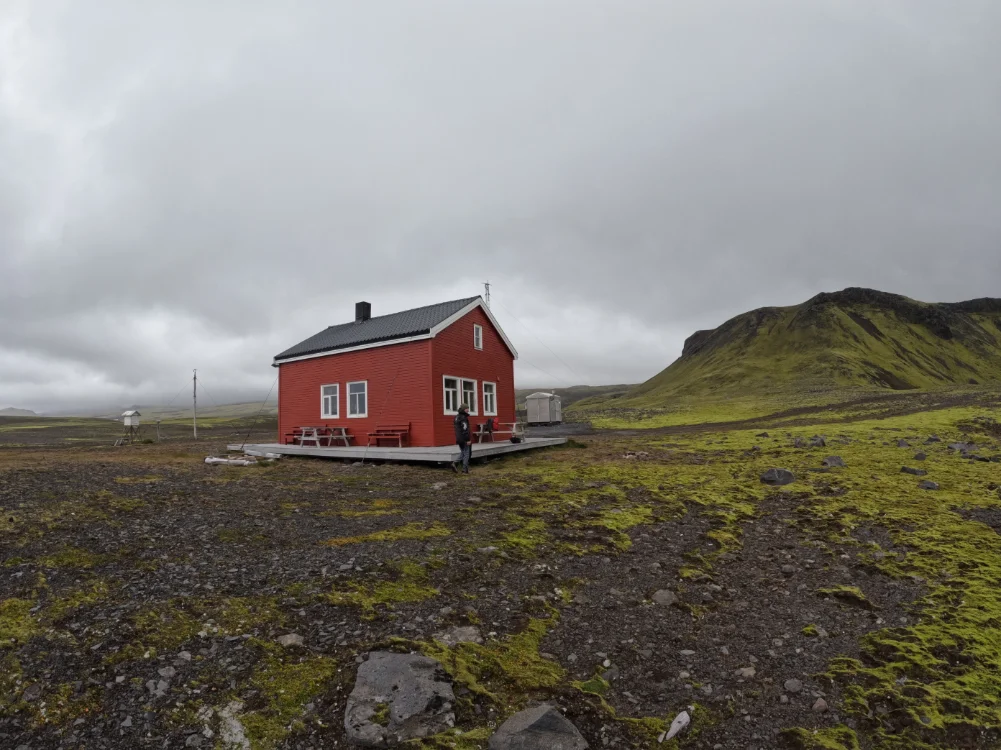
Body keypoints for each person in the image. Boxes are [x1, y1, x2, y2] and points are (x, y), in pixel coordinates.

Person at [452, 403, 471, 473]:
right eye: (467, 409)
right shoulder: (463, 418)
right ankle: (464, 470)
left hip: (458, 438)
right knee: (466, 453)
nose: (468, 410)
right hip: (464, 438)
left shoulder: (456, 417)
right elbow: (465, 429)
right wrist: (468, 439)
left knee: (463, 452)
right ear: (463, 409)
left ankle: (454, 463)